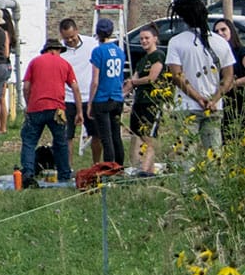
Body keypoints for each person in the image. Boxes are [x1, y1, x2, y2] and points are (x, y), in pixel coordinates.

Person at [164, 0, 235, 152]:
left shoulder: (176, 42)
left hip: (186, 105)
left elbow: (177, 76)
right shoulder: (220, 42)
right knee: (214, 154)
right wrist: (214, 99)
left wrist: (198, 98)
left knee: (185, 155)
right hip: (215, 105)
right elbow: (228, 77)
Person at [19, 38, 81, 187]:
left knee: (29, 141)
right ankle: (64, 174)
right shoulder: (65, 64)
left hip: (36, 108)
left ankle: (28, 173)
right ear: (56, 50)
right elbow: (75, 88)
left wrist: (29, 106)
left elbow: (26, 87)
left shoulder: (34, 62)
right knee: (61, 142)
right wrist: (80, 111)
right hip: (57, 109)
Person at [85, 18, 127, 167]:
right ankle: (120, 164)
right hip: (117, 96)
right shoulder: (119, 51)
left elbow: (95, 80)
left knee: (106, 137)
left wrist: (90, 103)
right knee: (116, 135)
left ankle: (110, 167)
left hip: (102, 98)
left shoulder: (98, 51)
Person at [126, 26, 166, 175]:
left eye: (147, 38)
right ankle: (148, 170)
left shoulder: (158, 55)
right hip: (139, 101)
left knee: (149, 136)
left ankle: (143, 171)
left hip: (152, 101)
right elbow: (133, 80)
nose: (143, 41)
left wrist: (134, 82)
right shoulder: (142, 60)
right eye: (141, 39)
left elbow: (151, 77)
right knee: (138, 133)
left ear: (155, 39)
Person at [56, 18, 93, 153]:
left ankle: (96, 164)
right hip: (67, 99)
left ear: (77, 31)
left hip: (89, 97)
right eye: (66, 38)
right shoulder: (58, 50)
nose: (70, 40)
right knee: (67, 136)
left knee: (96, 134)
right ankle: (68, 168)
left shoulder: (91, 44)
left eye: (72, 37)